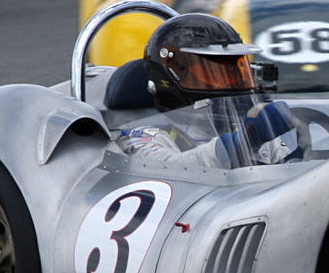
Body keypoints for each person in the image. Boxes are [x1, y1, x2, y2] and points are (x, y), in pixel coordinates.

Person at [114, 14, 296, 169]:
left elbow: (291, 173)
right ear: (170, 77)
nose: (227, 84)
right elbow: (169, 169)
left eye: (235, 73)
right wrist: (242, 142)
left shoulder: (254, 132)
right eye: (210, 74)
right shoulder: (143, 136)